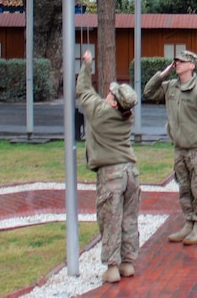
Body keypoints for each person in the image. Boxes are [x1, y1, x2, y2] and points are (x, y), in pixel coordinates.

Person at [76, 50, 141, 284]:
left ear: (114, 102)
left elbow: (83, 91)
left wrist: (87, 65)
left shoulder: (102, 113)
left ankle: (112, 268)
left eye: (110, 94)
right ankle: (128, 263)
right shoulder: (127, 116)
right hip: (131, 173)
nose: (106, 95)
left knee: (110, 220)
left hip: (111, 175)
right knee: (128, 219)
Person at [143, 49, 197, 246]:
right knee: (184, 188)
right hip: (180, 149)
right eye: (176, 61)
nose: (177, 63)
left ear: (192, 65)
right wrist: (162, 74)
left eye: (182, 61)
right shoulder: (171, 87)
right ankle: (188, 222)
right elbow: (148, 92)